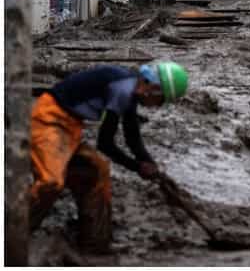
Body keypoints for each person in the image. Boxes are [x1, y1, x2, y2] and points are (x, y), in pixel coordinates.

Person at [28, 61, 188, 253]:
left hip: (70, 127)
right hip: (48, 120)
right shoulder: (122, 91)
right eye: (161, 100)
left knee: (96, 171)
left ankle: (95, 245)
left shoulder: (130, 88)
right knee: (51, 182)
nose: (157, 106)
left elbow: (132, 137)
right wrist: (138, 167)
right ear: (153, 89)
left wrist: (151, 165)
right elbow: (105, 144)